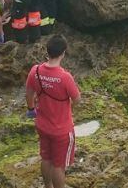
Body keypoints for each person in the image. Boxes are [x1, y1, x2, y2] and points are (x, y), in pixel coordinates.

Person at [25, 35, 81, 188]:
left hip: (42, 125)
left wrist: (31, 109)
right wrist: (69, 109)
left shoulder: (35, 71)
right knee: (59, 165)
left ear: (47, 51)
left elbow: (29, 93)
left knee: (46, 158)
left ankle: (47, 186)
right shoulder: (65, 77)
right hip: (62, 129)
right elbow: (77, 99)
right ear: (63, 53)